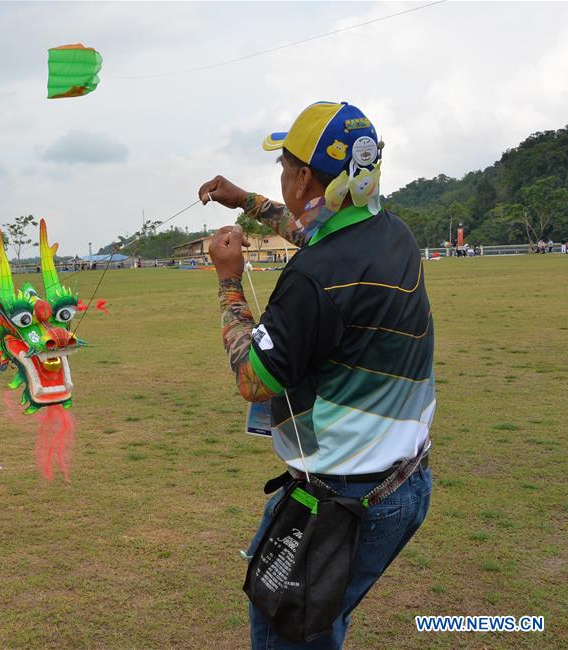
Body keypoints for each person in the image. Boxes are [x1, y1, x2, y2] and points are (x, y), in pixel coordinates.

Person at [198, 101, 434, 649]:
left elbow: (255, 380)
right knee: (317, 620)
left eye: (284, 166)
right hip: (403, 482)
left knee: (288, 626)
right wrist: (247, 200)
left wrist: (229, 282)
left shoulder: (313, 277)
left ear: (304, 177)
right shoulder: (389, 231)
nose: (282, 176)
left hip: (345, 500)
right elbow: (317, 234)